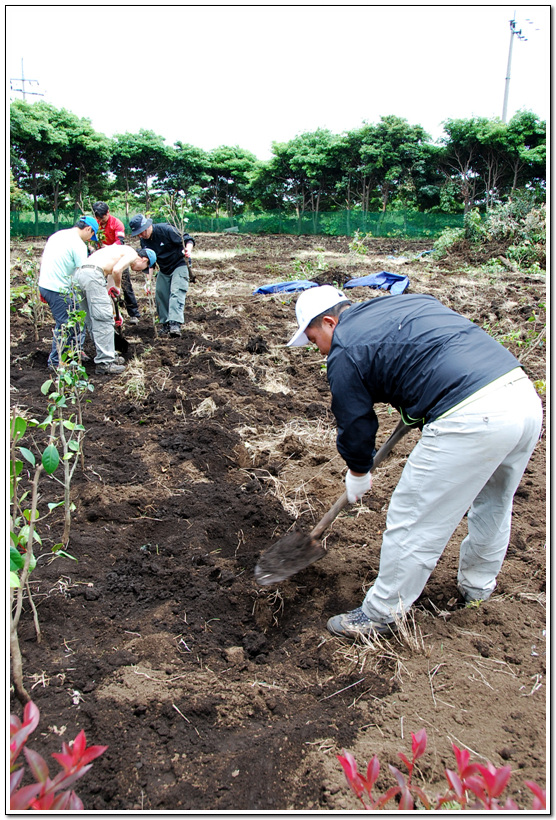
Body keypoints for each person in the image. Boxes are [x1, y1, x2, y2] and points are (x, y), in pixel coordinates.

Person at [287, 285, 543, 639]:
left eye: (314, 340)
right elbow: (431, 352)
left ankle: (380, 614)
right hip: (520, 397)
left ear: (330, 322)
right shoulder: (406, 303)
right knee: (493, 503)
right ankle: (478, 588)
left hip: (471, 415)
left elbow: (355, 422)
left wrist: (358, 470)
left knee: (413, 516)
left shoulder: (345, 348)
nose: (318, 350)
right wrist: (415, 405)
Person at [73, 245, 156, 375]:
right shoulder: (132, 253)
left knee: (90, 318)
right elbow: (117, 271)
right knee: (103, 320)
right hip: (93, 275)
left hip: (79, 275)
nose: (138, 271)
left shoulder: (114, 254)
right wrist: (118, 286)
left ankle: (108, 354)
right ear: (144, 260)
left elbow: (107, 292)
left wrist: (114, 314)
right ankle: (105, 362)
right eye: (143, 269)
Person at [38, 216, 99, 370]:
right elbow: (82, 273)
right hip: (59, 288)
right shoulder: (78, 244)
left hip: (46, 285)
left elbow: (44, 260)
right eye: (91, 236)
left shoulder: (58, 235)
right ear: (88, 229)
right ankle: (56, 361)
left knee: (76, 318)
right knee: (65, 325)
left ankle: (75, 352)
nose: (90, 240)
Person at [129, 214, 195, 338]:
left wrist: (188, 250)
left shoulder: (166, 230)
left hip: (179, 264)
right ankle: (165, 324)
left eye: (142, 232)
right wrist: (148, 282)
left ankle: (175, 323)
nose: (141, 235)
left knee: (176, 292)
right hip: (164, 269)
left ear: (148, 225)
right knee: (160, 293)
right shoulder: (144, 240)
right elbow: (150, 262)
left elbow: (188, 239)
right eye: (138, 234)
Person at [92, 201, 141, 324]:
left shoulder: (116, 224)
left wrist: (108, 248)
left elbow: (120, 242)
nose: (100, 221)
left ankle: (133, 313)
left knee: (125, 284)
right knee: (103, 287)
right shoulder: (96, 225)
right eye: (98, 218)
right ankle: (110, 314)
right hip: (103, 261)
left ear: (108, 212)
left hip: (118, 259)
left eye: (102, 218)